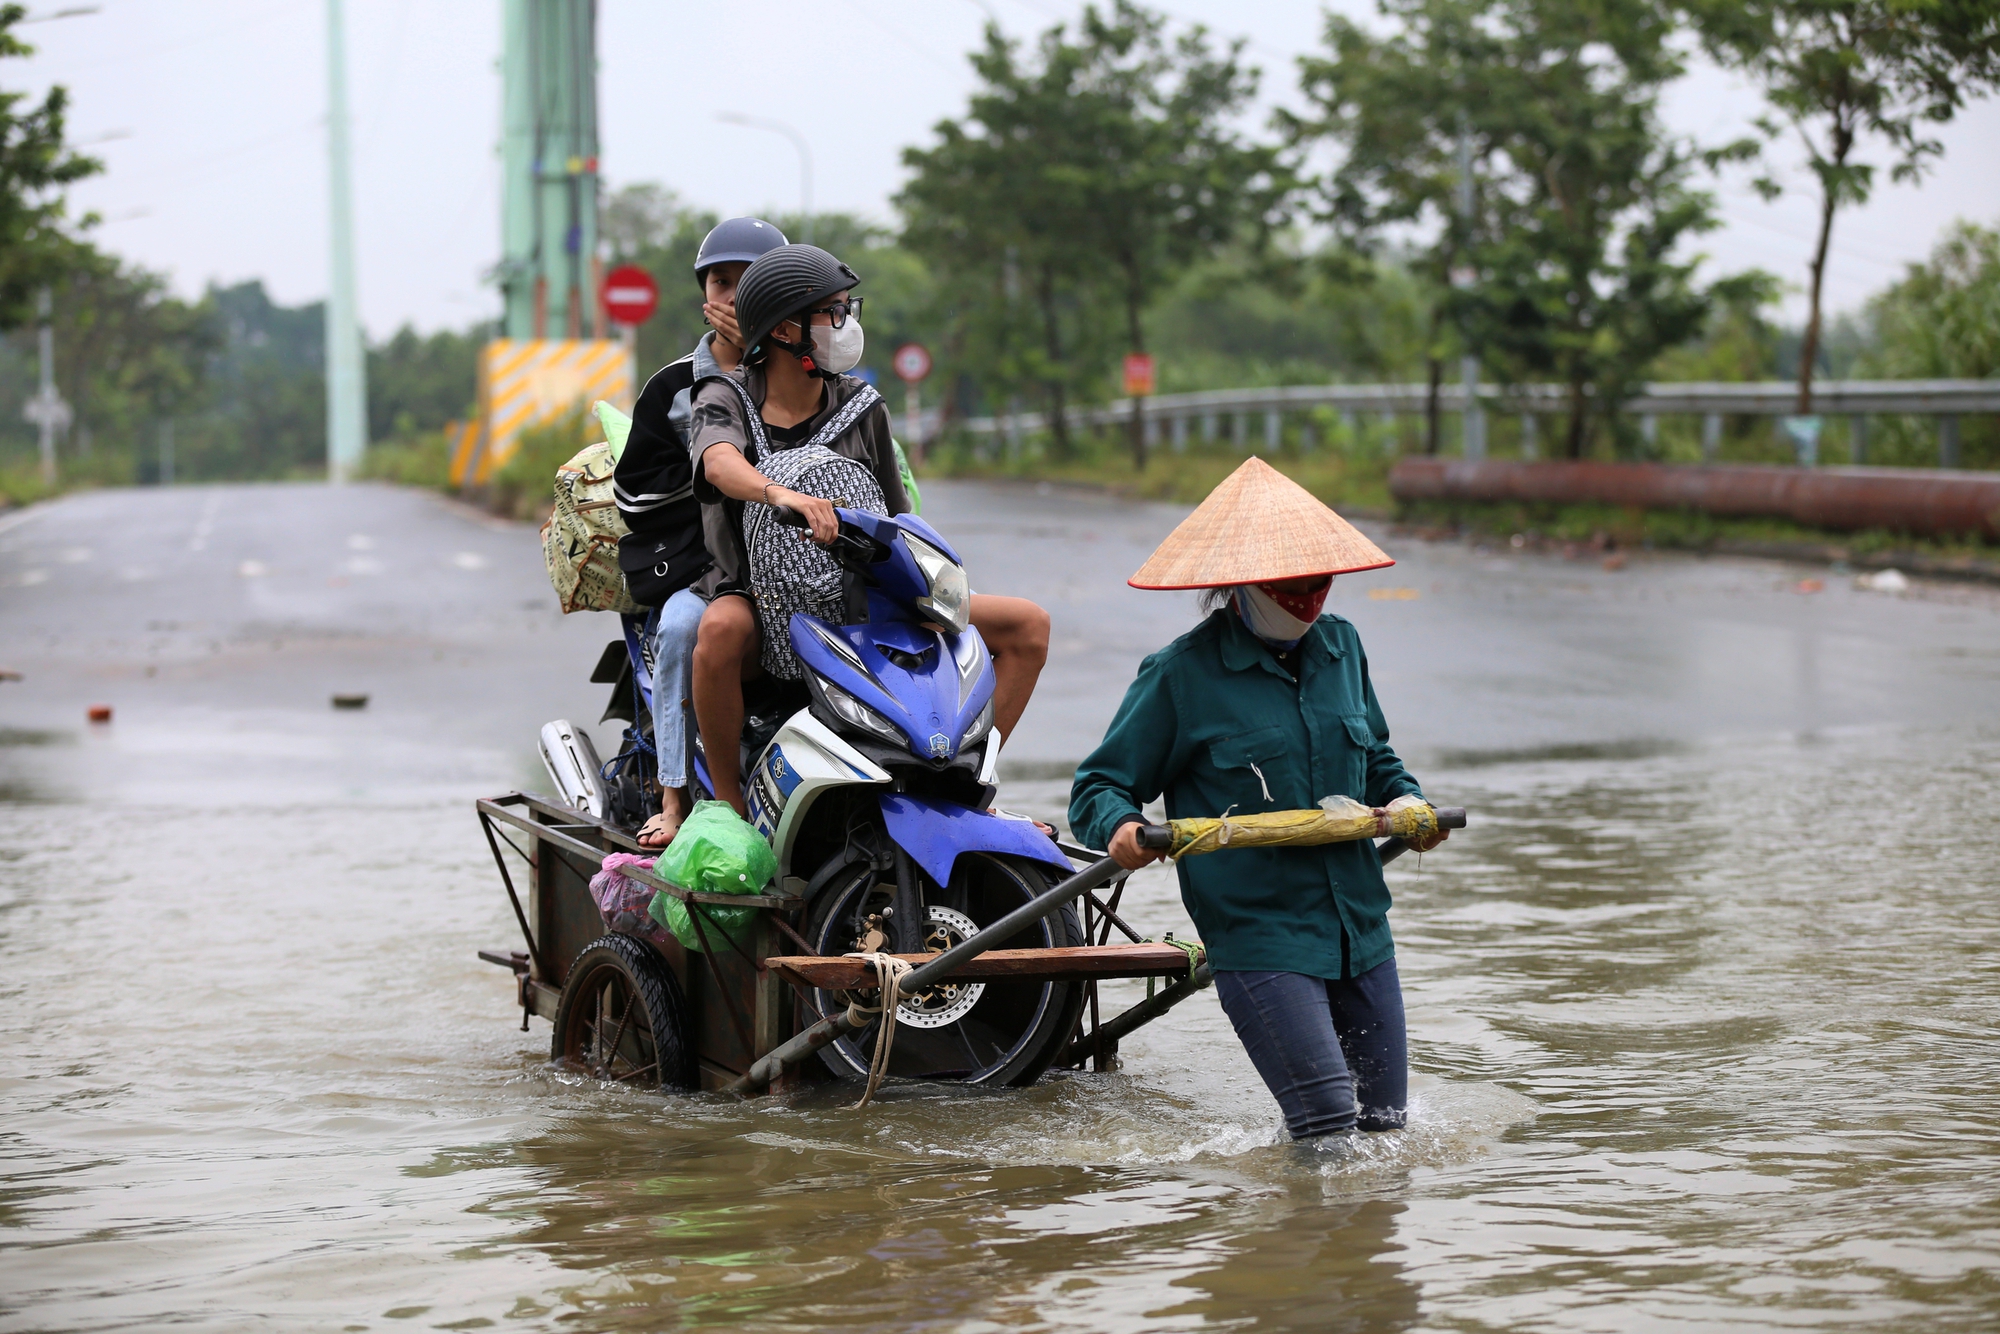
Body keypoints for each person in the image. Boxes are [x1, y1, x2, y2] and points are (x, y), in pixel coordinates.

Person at [1067, 458, 1447, 1142]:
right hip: (1259, 932)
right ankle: (1303, 1242)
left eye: (1316, 585)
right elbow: (1099, 787)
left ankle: (1344, 1248)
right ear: (1241, 584)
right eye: (1289, 587)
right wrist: (1121, 826)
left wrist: (1410, 805)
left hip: (1358, 924)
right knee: (1327, 1122)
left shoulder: (1342, 648)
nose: (1306, 600)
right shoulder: (1181, 676)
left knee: (1387, 1129)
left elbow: (1379, 762)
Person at [684, 243, 1051, 817]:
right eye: (831, 311)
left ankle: (966, 786)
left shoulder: (863, 406)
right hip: (762, 600)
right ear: (784, 330)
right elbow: (718, 463)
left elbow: (899, 518)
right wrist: (778, 491)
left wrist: (931, 586)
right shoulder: (725, 396)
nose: (845, 324)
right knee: (718, 632)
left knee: (1028, 625)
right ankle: (728, 807)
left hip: (865, 596)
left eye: (847, 308)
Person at [613, 217, 789, 848]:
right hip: (707, 573)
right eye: (722, 281)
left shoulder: (802, 373)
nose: (734, 297)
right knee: (685, 627)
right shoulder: (671, 387)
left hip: (799, 564)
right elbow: (632, 493)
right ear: (704, 293)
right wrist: (716, 470)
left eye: (753, 284)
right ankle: (675, 796)